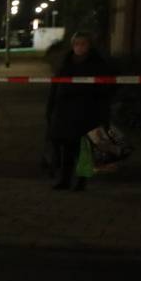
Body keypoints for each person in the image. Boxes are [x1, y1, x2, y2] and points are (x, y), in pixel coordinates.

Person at [45, 32, 112, 190]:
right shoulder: (66, 64)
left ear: (88, 46)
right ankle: (65, 180)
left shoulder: (97, 65)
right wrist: (51, 108)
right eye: (77, 44)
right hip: (66, 113)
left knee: (84, 149)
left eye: (83, 44)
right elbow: (56, 87)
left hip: (87, 112)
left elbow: (104, 89)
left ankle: (82, 181)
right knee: (67, 148)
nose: (79, 47)